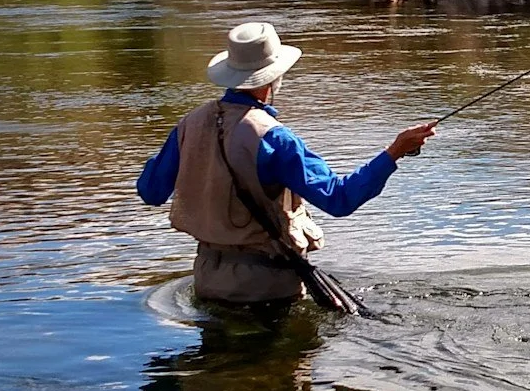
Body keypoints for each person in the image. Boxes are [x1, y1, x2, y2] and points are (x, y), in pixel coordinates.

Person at [138, 22, 436, 307]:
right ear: (271, 79)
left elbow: (150, 192)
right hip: (267, 286)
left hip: (207, 278)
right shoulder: (273, 138)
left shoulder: (189, 124)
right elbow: (339, 199)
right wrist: (394, 152)